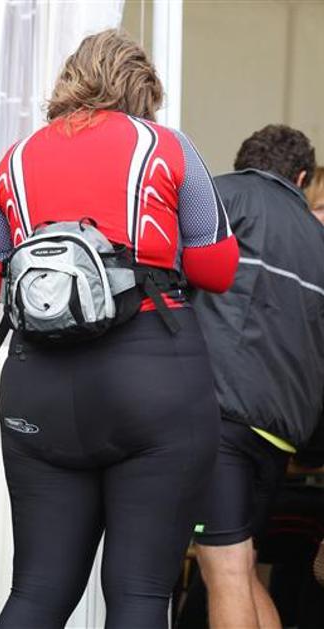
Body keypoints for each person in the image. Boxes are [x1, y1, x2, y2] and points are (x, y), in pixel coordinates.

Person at [0, 29, 238, 629]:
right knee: (139, 594)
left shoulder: (13, 159)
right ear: (144, 91)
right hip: (152, 378)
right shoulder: (166, 147)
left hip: (36, 384)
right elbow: (217, 267)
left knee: (37, 591)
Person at [191, 125, 324, 629]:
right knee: (240, 566)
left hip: (222, 420)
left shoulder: (219, 198)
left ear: (244, 160)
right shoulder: (318, 239)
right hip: (281, 436)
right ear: (302, 177)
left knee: (223, 569)